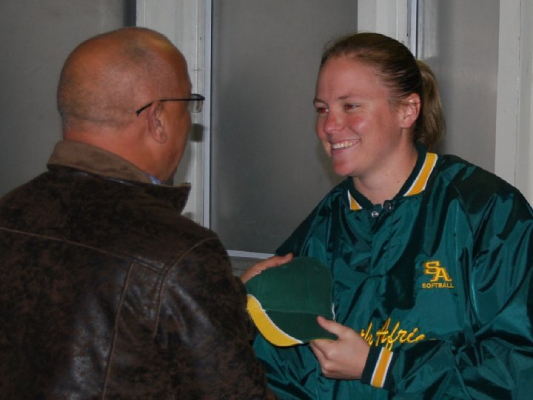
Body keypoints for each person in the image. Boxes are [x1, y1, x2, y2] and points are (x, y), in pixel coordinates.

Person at [0, 27, 288, 399]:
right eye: (188, 106)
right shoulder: (179, 254)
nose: (189, 122)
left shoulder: (8, 213)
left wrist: (221, 301)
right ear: (157, 119)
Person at [249, 32, 533, 399]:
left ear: (408, 110)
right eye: (322, 109)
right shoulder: (320, 231)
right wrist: (243, 308)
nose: (329, 126)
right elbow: (280, 372)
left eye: (350, 106)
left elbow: (519, 368)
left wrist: (381, 366)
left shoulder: (488, 212)